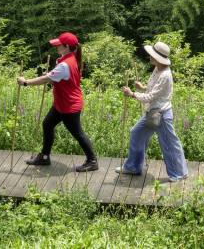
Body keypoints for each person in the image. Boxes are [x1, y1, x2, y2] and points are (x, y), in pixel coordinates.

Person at [17, 31, 98, 172]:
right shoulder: (68, 58)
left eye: (59, 45)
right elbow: (56, 77)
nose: (56, 47)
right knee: (47, 124)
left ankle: (92, 161)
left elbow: (46, 79)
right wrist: (50, 76)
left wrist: (25, 82)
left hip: (69, 106)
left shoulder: (65, 64)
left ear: (67, 47)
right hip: (61, 103)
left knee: (77, 133)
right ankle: (44, 157)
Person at [115, 41, 188, 182]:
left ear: (158, 58)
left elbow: (150, 97)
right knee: (136, 133)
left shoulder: (165, 75)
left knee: (169, 143)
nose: (149, 56)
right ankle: (133, 167)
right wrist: (142, 87)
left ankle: (179, 173)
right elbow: (153, 90)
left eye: (152, 55)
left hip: (162, 114)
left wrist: (132, 94)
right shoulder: (157, 69)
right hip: (152, 113)